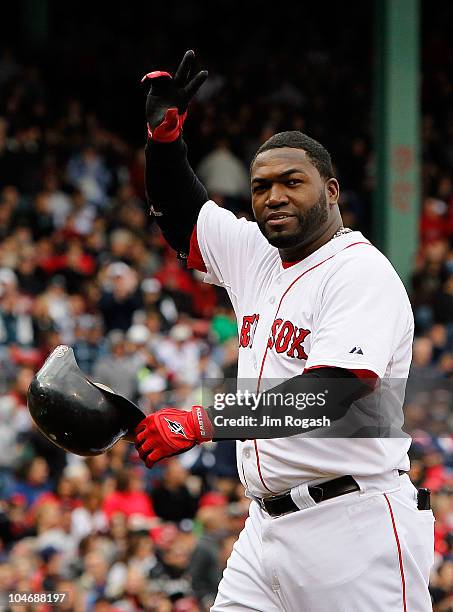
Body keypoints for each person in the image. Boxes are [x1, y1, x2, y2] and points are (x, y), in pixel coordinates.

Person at [134, 51, 434, 611]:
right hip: (264, 529)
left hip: (354, 525)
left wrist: (205, 420)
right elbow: (181, 216)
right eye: (261, 185)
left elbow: (331, 392)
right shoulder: (257, 254)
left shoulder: (359, 272)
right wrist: (165, 141)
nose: (273, 196)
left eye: (292, 182)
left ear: (332, 191)